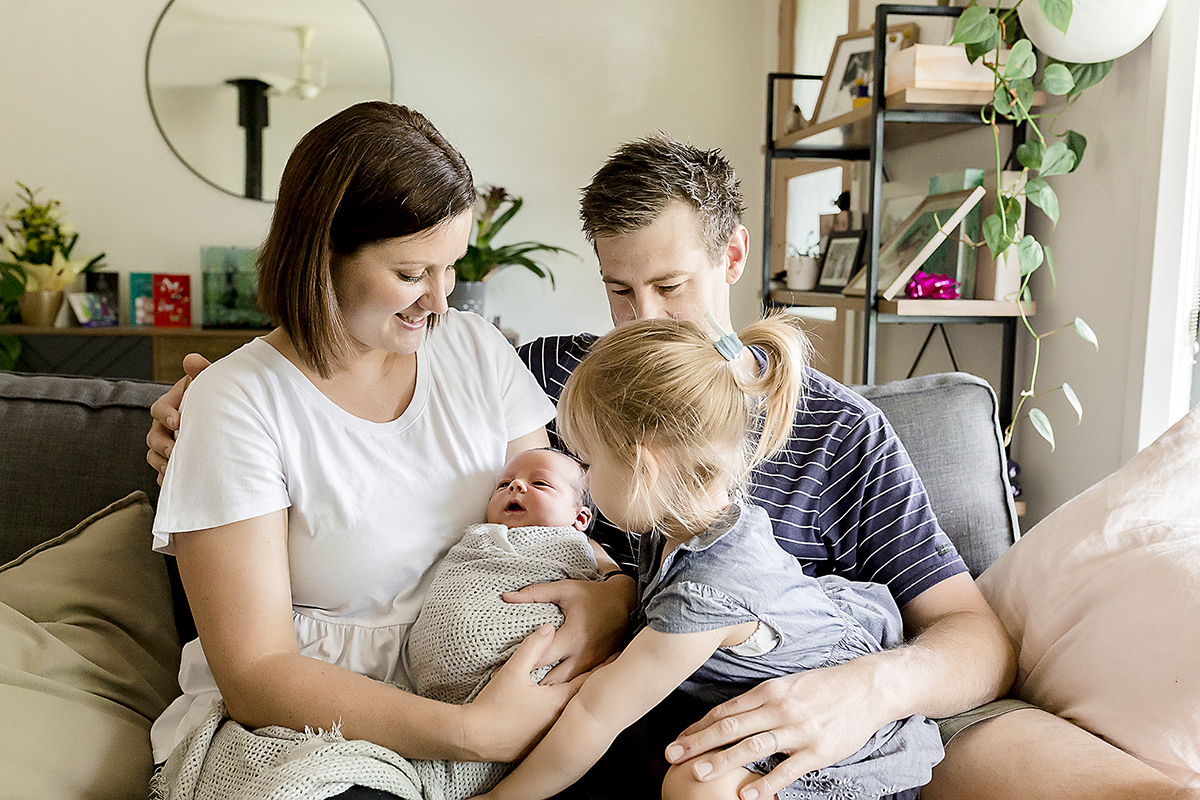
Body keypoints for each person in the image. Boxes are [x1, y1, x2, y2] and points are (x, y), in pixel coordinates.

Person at [147, 134, 1198, 800]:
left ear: (734, 258)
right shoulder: (549, 376)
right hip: (603, 729)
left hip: (800, 712)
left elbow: (974, 635)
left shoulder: (840, 430)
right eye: (617, 291)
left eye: (671, 285)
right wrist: (195, 409)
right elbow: (356, 389)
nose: (640, 322)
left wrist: (861, 692)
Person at [146, 101, 614, 799]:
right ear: (323, 252)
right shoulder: (237, 401)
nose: (440, 300)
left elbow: (555, 535)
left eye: (450, 267)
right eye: (411, 273)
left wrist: (612, 599)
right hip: (310, 730)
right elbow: (255, 676)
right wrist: (472, 733)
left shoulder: (477, 352)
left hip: (490, 687)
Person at [476, 314, 944, 800]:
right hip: (764, 689)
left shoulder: (707, 592)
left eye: (589, 463)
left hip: (840, 746)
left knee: (696, 786)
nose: (586, 483)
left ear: (643, 467)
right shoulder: (680, 518)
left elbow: (596, 714)